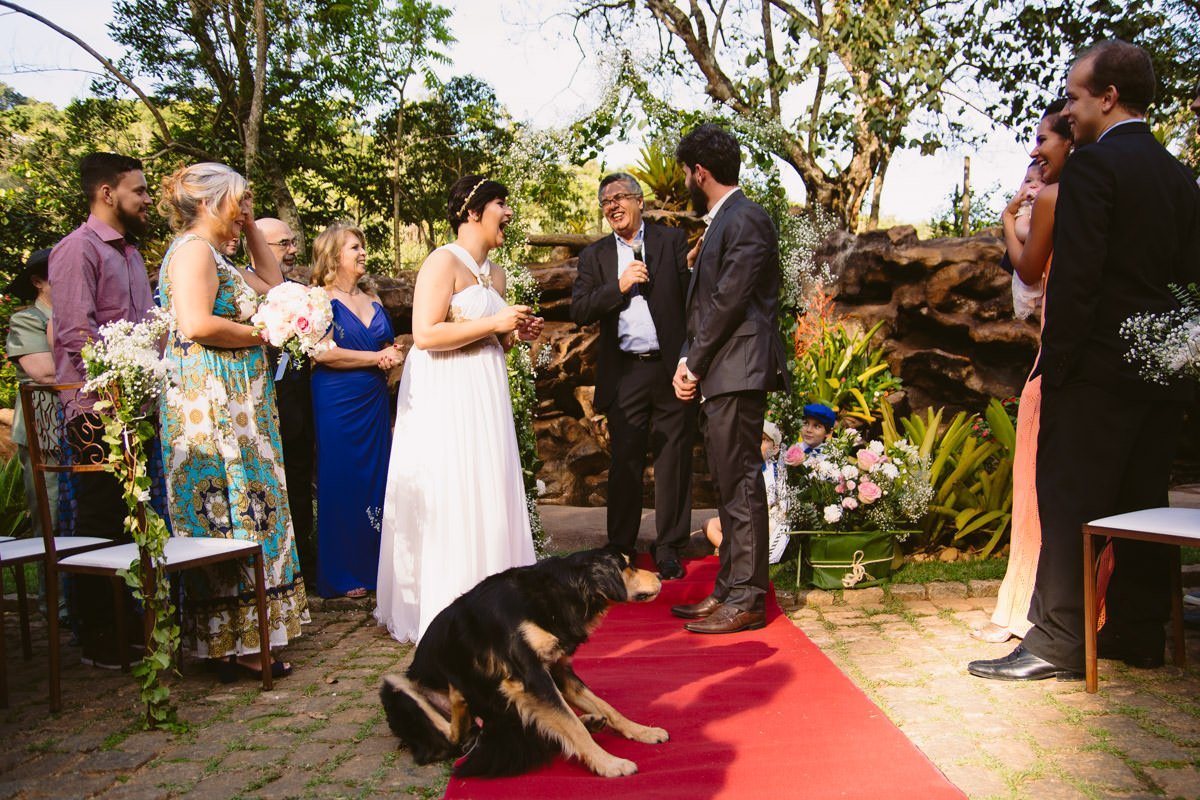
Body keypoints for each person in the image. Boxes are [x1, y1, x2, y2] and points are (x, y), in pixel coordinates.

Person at [969, 41, 1200, 682]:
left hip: (1094, 375)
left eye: (1074, 96)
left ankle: (1058, 641)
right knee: (1141, 502)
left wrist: (1059, 368)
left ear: (1108, 97)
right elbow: (1188, 285)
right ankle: (1138, 632)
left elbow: (1078, 281)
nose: (1069, 109)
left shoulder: (1095, 169)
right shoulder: (1183, 178)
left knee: (1069, 503)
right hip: (1161, 377)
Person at [156, 161, 308, 679]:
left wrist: (246, 227)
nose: (246, 207)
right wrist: (261, 333)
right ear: (206, 202)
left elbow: (271, 282)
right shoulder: (194, 252)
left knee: (253, 504)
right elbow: (196, 323)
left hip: (241, 400)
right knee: (231, 506)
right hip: (212, 401)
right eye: (238, 199)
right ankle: (236, 643)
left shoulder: (219, 254)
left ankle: (251, 633)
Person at [375, 175, 543, 643]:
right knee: (453, 484)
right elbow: (425, 334)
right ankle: (448, 603)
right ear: (472, 212)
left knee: (486, 482)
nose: (508, 213)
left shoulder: (497, 273)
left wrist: (513, 334)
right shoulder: (441, 261)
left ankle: (495, 597)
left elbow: (490, 336)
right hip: (446, 392)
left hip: (484, 390)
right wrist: (495, 320)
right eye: (500, 205)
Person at [669, 124, 789, 635]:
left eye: (686, 175)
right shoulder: (724, 221)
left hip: (738, 369)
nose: (685, 185)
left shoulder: (747, 218)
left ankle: (747, 598)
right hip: (722, 370)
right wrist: (688, 360)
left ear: (701, 172)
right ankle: (728, 587)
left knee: (740, 482)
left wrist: (692, 363)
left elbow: (729, 301)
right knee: (727, 482)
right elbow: (705, 307)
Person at [49, 152, 156, 668]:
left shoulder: (132, 254)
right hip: (95, 409)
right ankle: (95, 633)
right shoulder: (76, 250)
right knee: (98, 519)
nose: (148, 199)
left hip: (138, 407)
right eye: (139, 190)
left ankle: (128, 623)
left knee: (133, 518)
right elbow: (75, 334)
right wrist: (117, 390)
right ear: (107, 193)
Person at [972, 101, 1073, 646]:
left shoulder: (1059, 201)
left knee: (1036, 491)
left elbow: (1028, 278)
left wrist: (1011, 222)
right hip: (1057, 359)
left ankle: (1023, 613)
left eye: (1043, 141)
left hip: (1054, 364)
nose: (1034, 153)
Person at [571, 172, 695, 580]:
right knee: (624, 462)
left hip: (669, 367)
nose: (613, 205)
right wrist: (619, 286)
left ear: (640, 201)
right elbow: (581, 310)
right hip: (625, 371)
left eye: (621, 197)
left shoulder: (669, 241)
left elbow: (690, 302)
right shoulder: (596, 256)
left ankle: (670, 546)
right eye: (606, 201)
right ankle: (620, 549)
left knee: (673, 459)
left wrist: (688, 359)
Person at [309, 221, 398, 598]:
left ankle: (379, 565)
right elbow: (322, 352)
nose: (363, 253)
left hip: (374, 398)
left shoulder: (373, 299)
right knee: (342, 476)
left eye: (362, 247)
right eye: (354, 248)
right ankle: (343, 573)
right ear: (333, 255)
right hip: (338, 398)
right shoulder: (317, 300)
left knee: (378, 477)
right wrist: (376, 355)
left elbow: (387, 344)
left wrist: (391, 356)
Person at [253, 218, 317, 585]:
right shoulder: (244, 288)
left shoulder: (299, 292)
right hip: (258, 404)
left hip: (298, 403)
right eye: (283, 244)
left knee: (298, 480)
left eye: (293, 243)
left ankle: (304, 562)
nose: (293, 251)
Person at [6, 249, 59, 540]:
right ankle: (51, 587)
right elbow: (45, 372)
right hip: (45, 431)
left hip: (84, 433)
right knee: (51, 520)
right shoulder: (27, 320)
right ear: (39, 281)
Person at [704, 420, 791, 564]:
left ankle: (746, 554)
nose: (756, 444)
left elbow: (779, 500)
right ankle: (732, 552)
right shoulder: (744, 467)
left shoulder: (776, 471)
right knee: (709, 524)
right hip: (743, 515)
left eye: (763, 440)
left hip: (767, 518)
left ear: (775, 448)